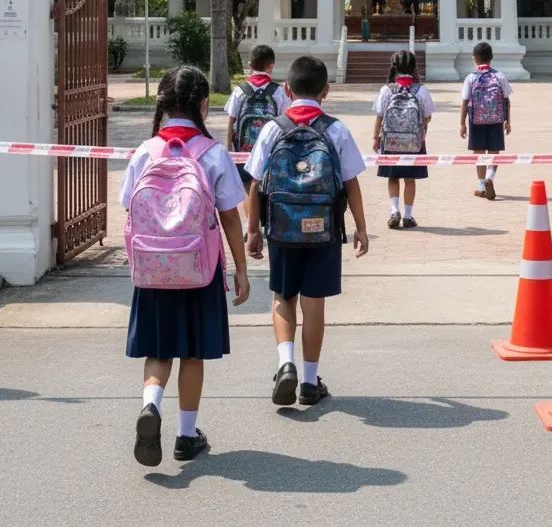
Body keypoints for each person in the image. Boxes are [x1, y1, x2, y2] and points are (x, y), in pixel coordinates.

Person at [121, 66, 250, 467]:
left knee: (159, 350)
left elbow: (129, 205)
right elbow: (230, 215)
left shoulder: (146, 151)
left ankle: (151, 404)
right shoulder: (212, 153)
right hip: (199, 267)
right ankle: (185, 435)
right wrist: (241, 271)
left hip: (154, 267)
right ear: (202, 105)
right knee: (192, 353)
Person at [245, 56, 369, 407]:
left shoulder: (273, 128)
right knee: (314, 304)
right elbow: (351, 183)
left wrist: (253, 231)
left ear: (286, 89)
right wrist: (361, 228)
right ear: (326, 91)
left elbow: (254, 184)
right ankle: (310, 381)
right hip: (323, 229)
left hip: (281, 227)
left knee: (284, 298)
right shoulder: (336, 129)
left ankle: (286, 364)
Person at [372, 49, 435, 229]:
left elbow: (380, 116)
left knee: (392, 178)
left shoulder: (387, 89)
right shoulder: (421, 90)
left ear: (394, 67)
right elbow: (428, 116)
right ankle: (408, 215)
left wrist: (376, 138)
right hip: (414, 143)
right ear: (414, 67)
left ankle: (394, 210)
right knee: (409, 179)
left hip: (390, 141)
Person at [224, 43, 286, 196]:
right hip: (270, 151)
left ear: (249, 65)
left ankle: (252, 218)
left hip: (243, 152)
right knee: (267, 186)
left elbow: (231, 120)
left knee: (246, 185)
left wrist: (228, 149)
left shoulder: (240, 90)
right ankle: (263, 217)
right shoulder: (278, 91)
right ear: (271, 66)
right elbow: (285, 120)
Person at [459, 41, 512, 200]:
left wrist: (462, 123)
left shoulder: (470, 78)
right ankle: (490, 177)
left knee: (479, 152)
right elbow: (507, 100)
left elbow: (464, 102)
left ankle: (482, 186)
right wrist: (508, 121)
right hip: (496, 119)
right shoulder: (499, 76)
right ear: (491, 58)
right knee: (494, 151)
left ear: (474, 58)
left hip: (476, 120)